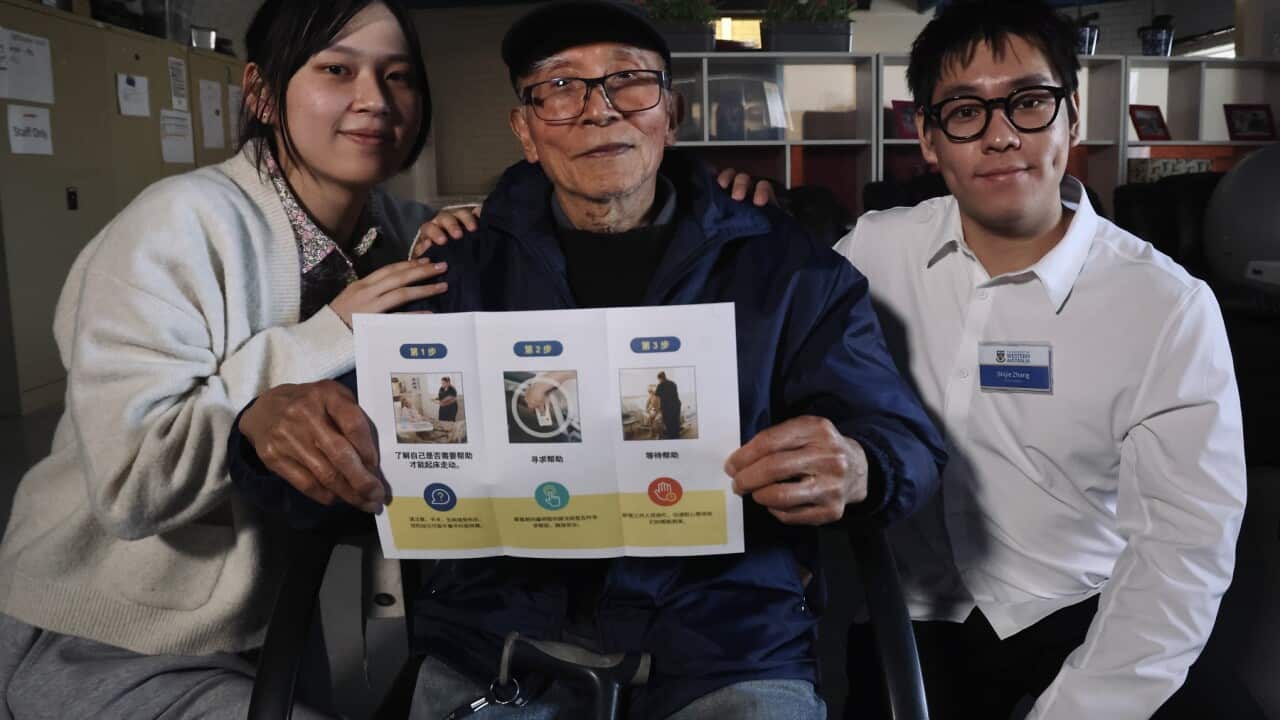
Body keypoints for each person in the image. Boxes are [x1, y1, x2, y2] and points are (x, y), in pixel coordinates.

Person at [228, 1, 947, 718]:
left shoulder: (790, 273)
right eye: (561, 87)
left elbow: (903, 443)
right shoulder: (453, 273)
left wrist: (859, 464)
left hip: (726, 655)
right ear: (526, 131)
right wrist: (269, 433)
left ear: (672, 111)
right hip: (494, 652)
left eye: (629, 82)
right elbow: (332, 459)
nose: (599, 112)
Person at [0, 1, 446, 717]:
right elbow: (131, 481)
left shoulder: (399, 232)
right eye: (337, 70)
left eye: (399, 77)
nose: (375, 101)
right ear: (262, 92)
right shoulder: (178, 222)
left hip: (274, 627)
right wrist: (330, 331)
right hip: (112, 632)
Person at [833, 2, 1247, 718]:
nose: (1000, 137)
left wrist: (1077, 708)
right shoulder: (874, 252)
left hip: (1082, 603)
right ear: (929, 140)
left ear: (1072, 119)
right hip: (910, 612)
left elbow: (1182, 550)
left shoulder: (1166, 305)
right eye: (964, 112)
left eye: (1028, 103)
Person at [654, 371, 682, 439]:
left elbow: (657, 400)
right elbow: (675, 395)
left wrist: (658, 411)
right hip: (676, 405)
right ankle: (676, 437)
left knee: (669, 425)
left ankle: (671, 438)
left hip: (667, 408)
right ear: (665, 376)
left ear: (660, 378)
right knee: (676, 423)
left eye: (659, 379)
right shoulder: (673, 383)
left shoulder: (660, 385)